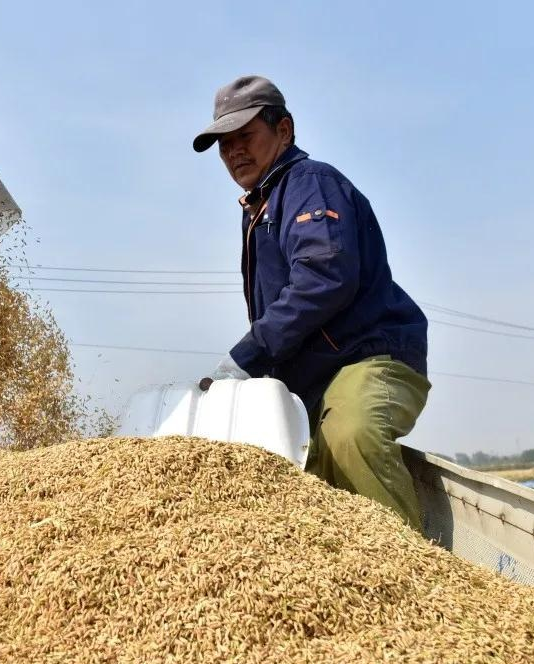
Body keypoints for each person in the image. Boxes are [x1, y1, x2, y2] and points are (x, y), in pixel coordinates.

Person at [194, 75, 430, 530]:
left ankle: (415, 579)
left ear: (284, 131)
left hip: (366, 356)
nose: (234, 151)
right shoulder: (261, 207)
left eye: (245, 136)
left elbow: (325, 276)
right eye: (225, 144)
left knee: (350, 435)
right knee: (303, 478)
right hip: (313, 374)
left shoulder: (309, 185)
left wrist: (248, 356)